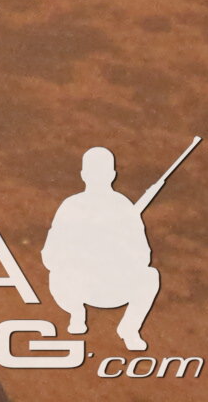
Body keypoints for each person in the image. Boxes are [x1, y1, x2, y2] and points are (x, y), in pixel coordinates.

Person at [44, 146, 162, 351]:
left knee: (150, 276)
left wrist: (116, 248)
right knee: (58, 274)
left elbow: (144, 256)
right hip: (77, 287)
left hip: (114, 286)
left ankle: (129, 328)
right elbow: (50, 255)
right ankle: (77, 313)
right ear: (84, 175)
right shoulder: (71, 206)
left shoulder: (124, 208)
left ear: (112, 175)